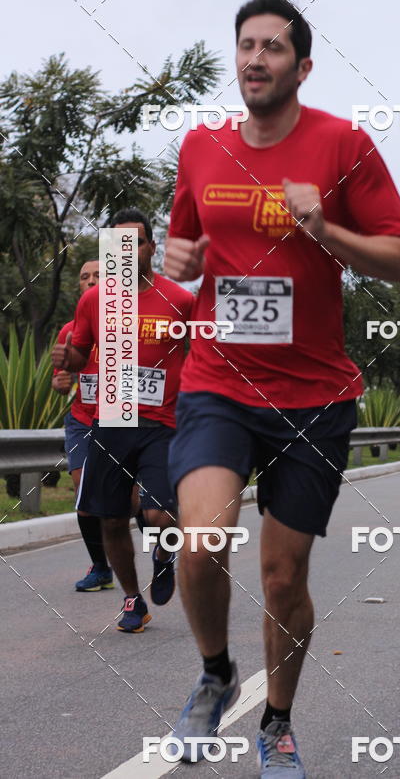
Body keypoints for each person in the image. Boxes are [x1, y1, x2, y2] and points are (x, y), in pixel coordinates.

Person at [164, 0, 400, 774]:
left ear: (302, 65)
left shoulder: (344, 146)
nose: (255, 59)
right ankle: (215, 675)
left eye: (273, 47)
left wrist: (327, 229)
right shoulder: (202, 149)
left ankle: (275, 721)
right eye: (246, 45)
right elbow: (183, 247)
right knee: (203, 544)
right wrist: (176, 264)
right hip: (219, 382)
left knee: (283, 575)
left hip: (313, 397)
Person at [52, 209, 194, 631]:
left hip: (164, 425)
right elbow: (80, 356)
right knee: (111, 518)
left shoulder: (181, 301)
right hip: (110, 422)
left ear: (152, 247)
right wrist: (68, 359)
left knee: (160, 516)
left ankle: (165, 556)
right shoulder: (93, 301)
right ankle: (134, 600)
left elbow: (204, 358)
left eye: (137, 243)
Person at [52, 259, 113, 591]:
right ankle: (101, 568)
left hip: (123, 418)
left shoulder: (130, 322)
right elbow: (61, 380)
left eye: (98, 275)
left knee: (131, 503)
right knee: (84, 494)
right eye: (84, 276)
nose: (90, 281)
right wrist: (61, 383)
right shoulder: (69, 329)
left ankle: (165, 555)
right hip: (82, 420)